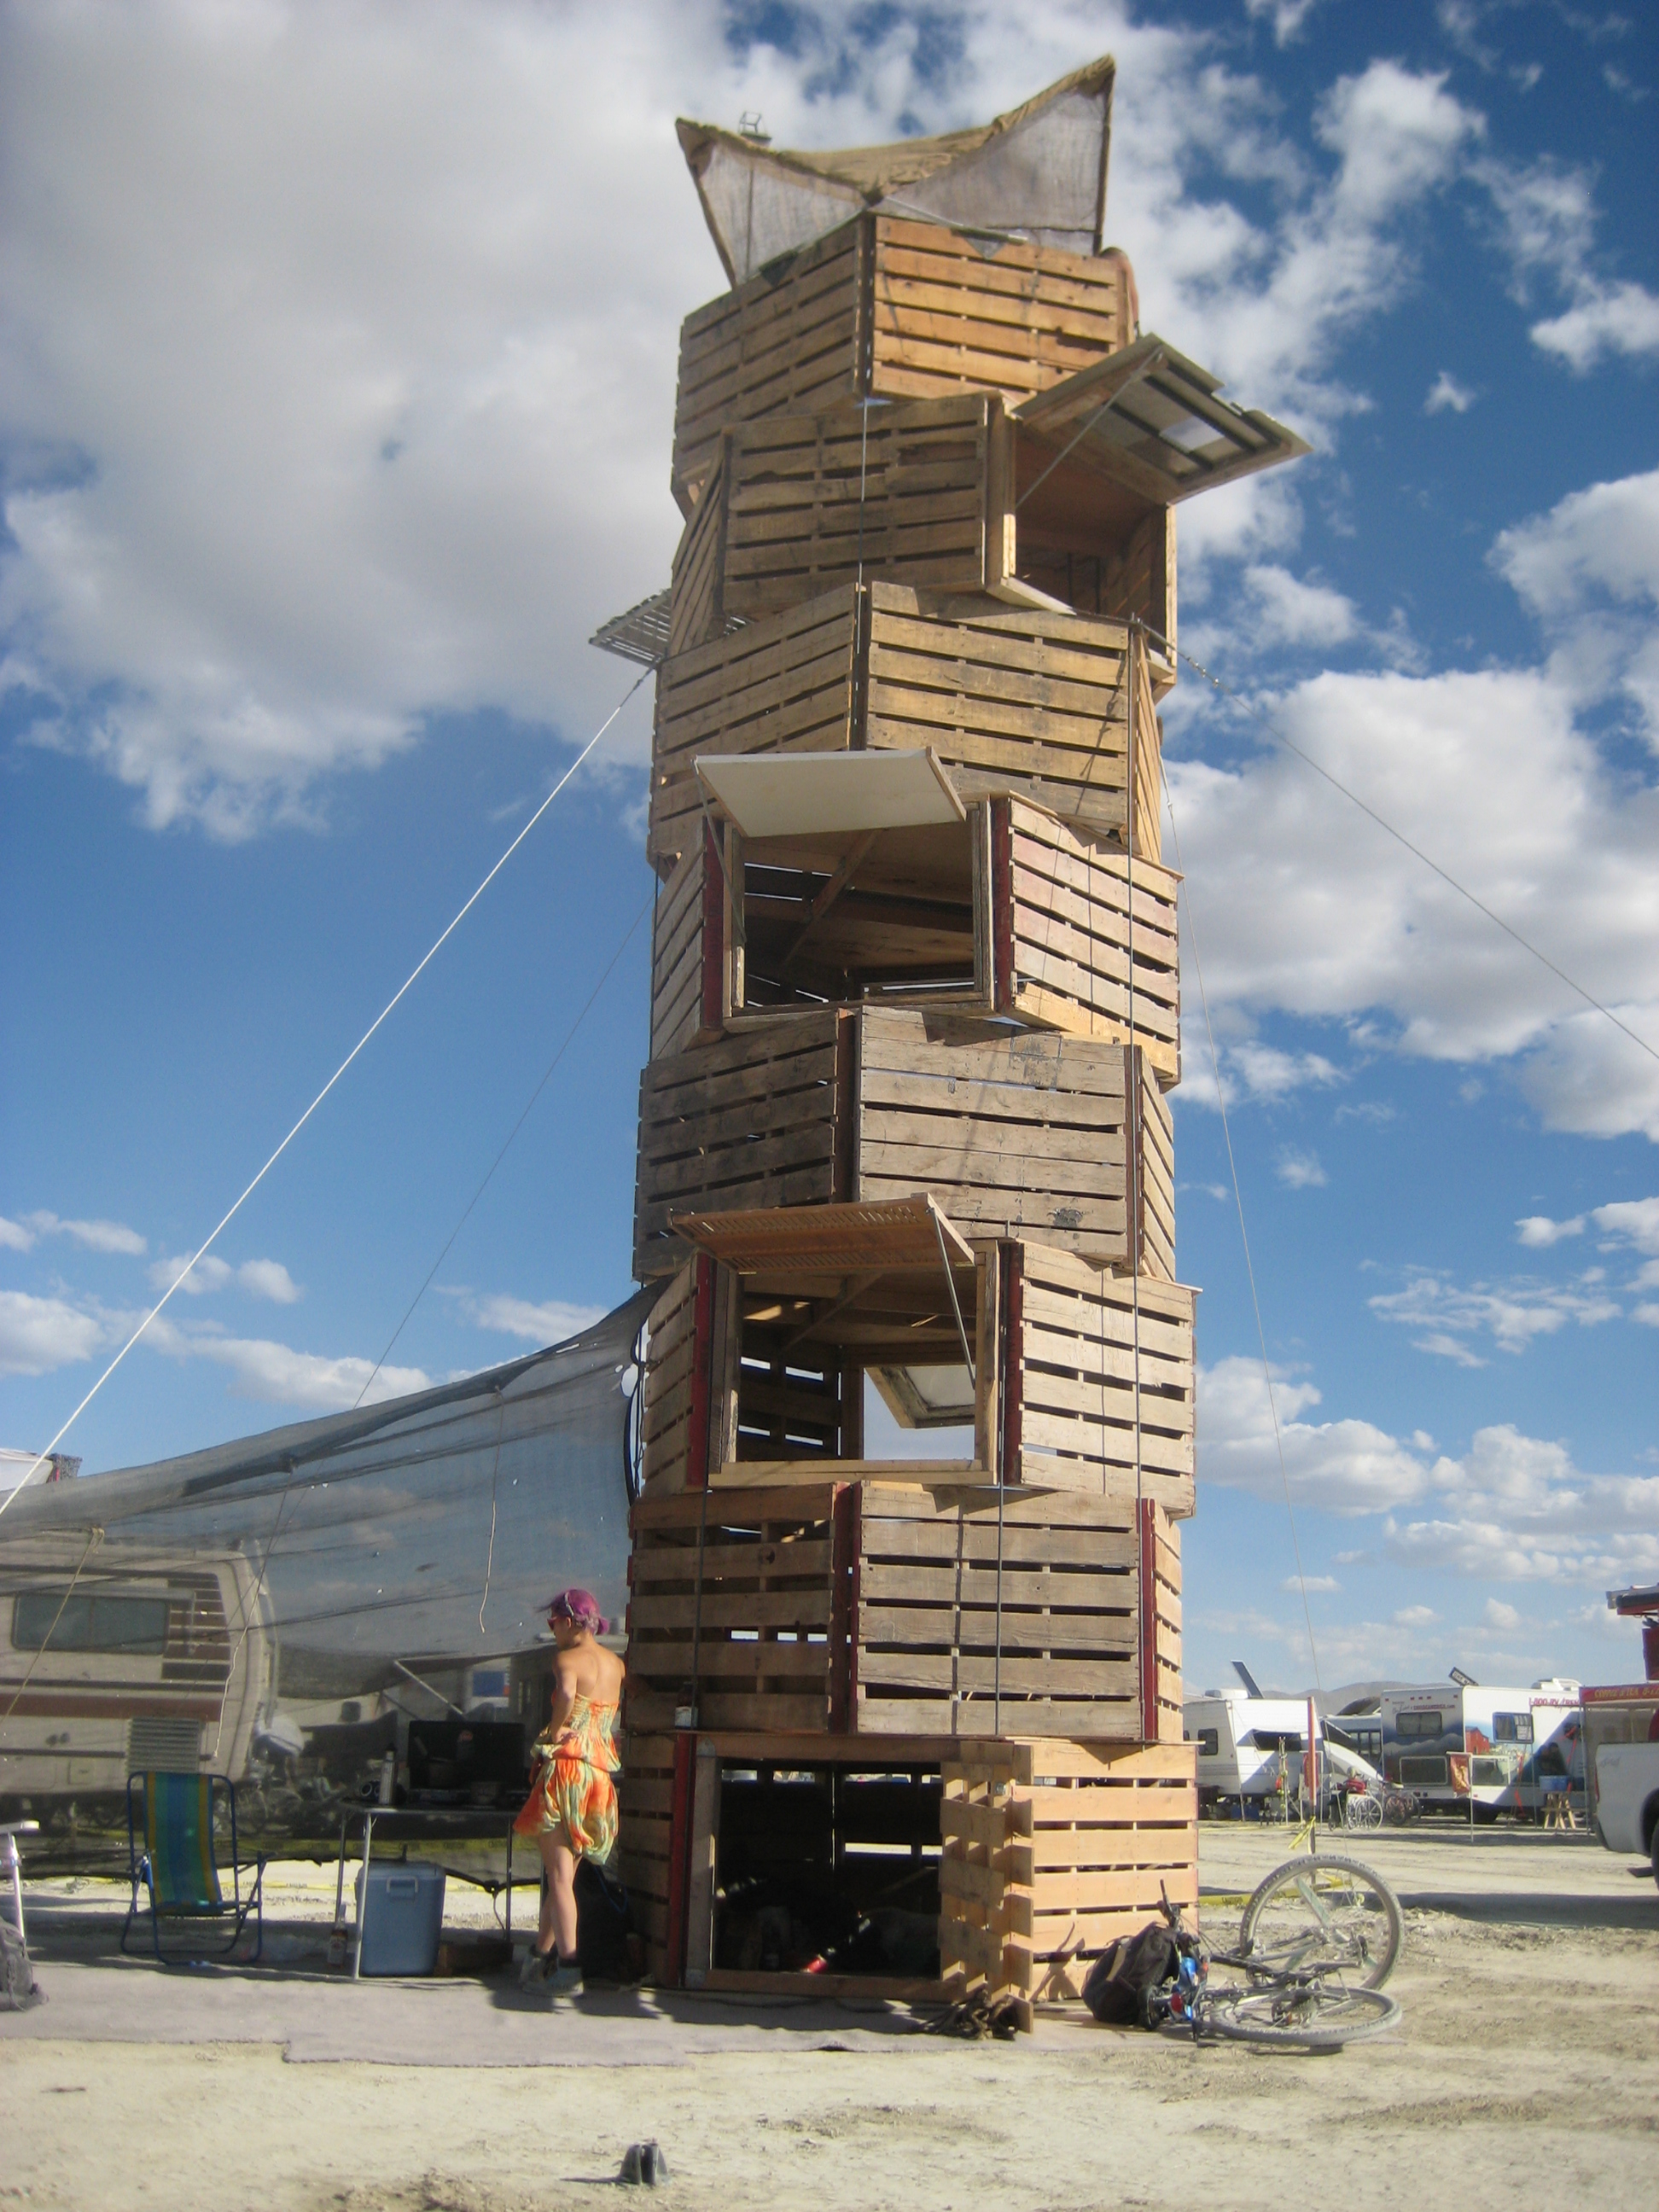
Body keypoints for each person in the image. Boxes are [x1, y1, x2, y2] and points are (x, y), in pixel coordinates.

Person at [512, 1587, 625, 1998]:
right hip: (599, 1777)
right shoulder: (616, 1665)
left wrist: (556, 1729)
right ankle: (539, 1958)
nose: (552, 1630)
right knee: (564, 1877)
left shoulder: (566, 1659)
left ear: (570, 1621)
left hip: (567, 1770)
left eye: (553, 1622)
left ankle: (570, 1967)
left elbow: (565, 1695)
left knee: (558, 1877)